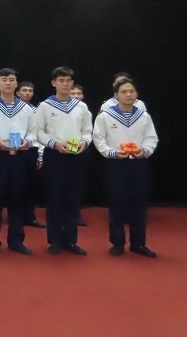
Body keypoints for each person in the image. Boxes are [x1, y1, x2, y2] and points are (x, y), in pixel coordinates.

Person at [93, 78, 159, 258]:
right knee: (116, 202)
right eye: (124, 92)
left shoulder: (143, 116)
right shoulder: (105, 116)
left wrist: (145, 150)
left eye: (131, 91)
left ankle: (138, 243)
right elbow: (99, 138)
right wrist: (112, 153)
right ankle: (117, 242)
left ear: (136, 94)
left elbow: (151, 138)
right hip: (116, 163)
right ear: (116, 95)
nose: (128, 95)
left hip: (138, 163)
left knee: (139, 203)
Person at [0, 68, 37, 255]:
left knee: (18, 200)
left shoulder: (26, 109)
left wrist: (27, 142)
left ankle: (16, 241)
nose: (8, 83)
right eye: (4, 79)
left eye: (11, 79)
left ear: (16, 84)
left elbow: (34, 132)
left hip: (20, 158)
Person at [35, 67, 93, 256]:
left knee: (73, 199)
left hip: (76, 156)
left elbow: (87, 130)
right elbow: (38, 131)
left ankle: (71, 240)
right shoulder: (45, 106)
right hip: (55, 155)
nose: (65, 84)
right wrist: (54, 144)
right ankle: (55, 240)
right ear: (54, 83)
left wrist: (84, 142)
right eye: (61, 80)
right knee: (54, 199)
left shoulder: (81, 107)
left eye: (68, 80)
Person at [17, 80, 46, 230]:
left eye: (30, 91)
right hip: (11, 150)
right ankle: (15, 216)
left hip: (30, 151)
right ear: (17, 93)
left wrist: (40, 155)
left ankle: (29, 217)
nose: (27, 93)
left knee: (30, 186)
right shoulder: (10, 108)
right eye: (24, 90)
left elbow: (39, 134)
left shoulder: (36, 111)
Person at [70, 83, 89, 226]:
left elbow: (88, 130)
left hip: (79, 149)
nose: (76, 96)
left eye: (79, 94)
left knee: (76, 184)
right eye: (73, 93)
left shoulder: (84, 109)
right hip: (58, 149)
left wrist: (84, 141)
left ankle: (75, 214)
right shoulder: (52, 107)